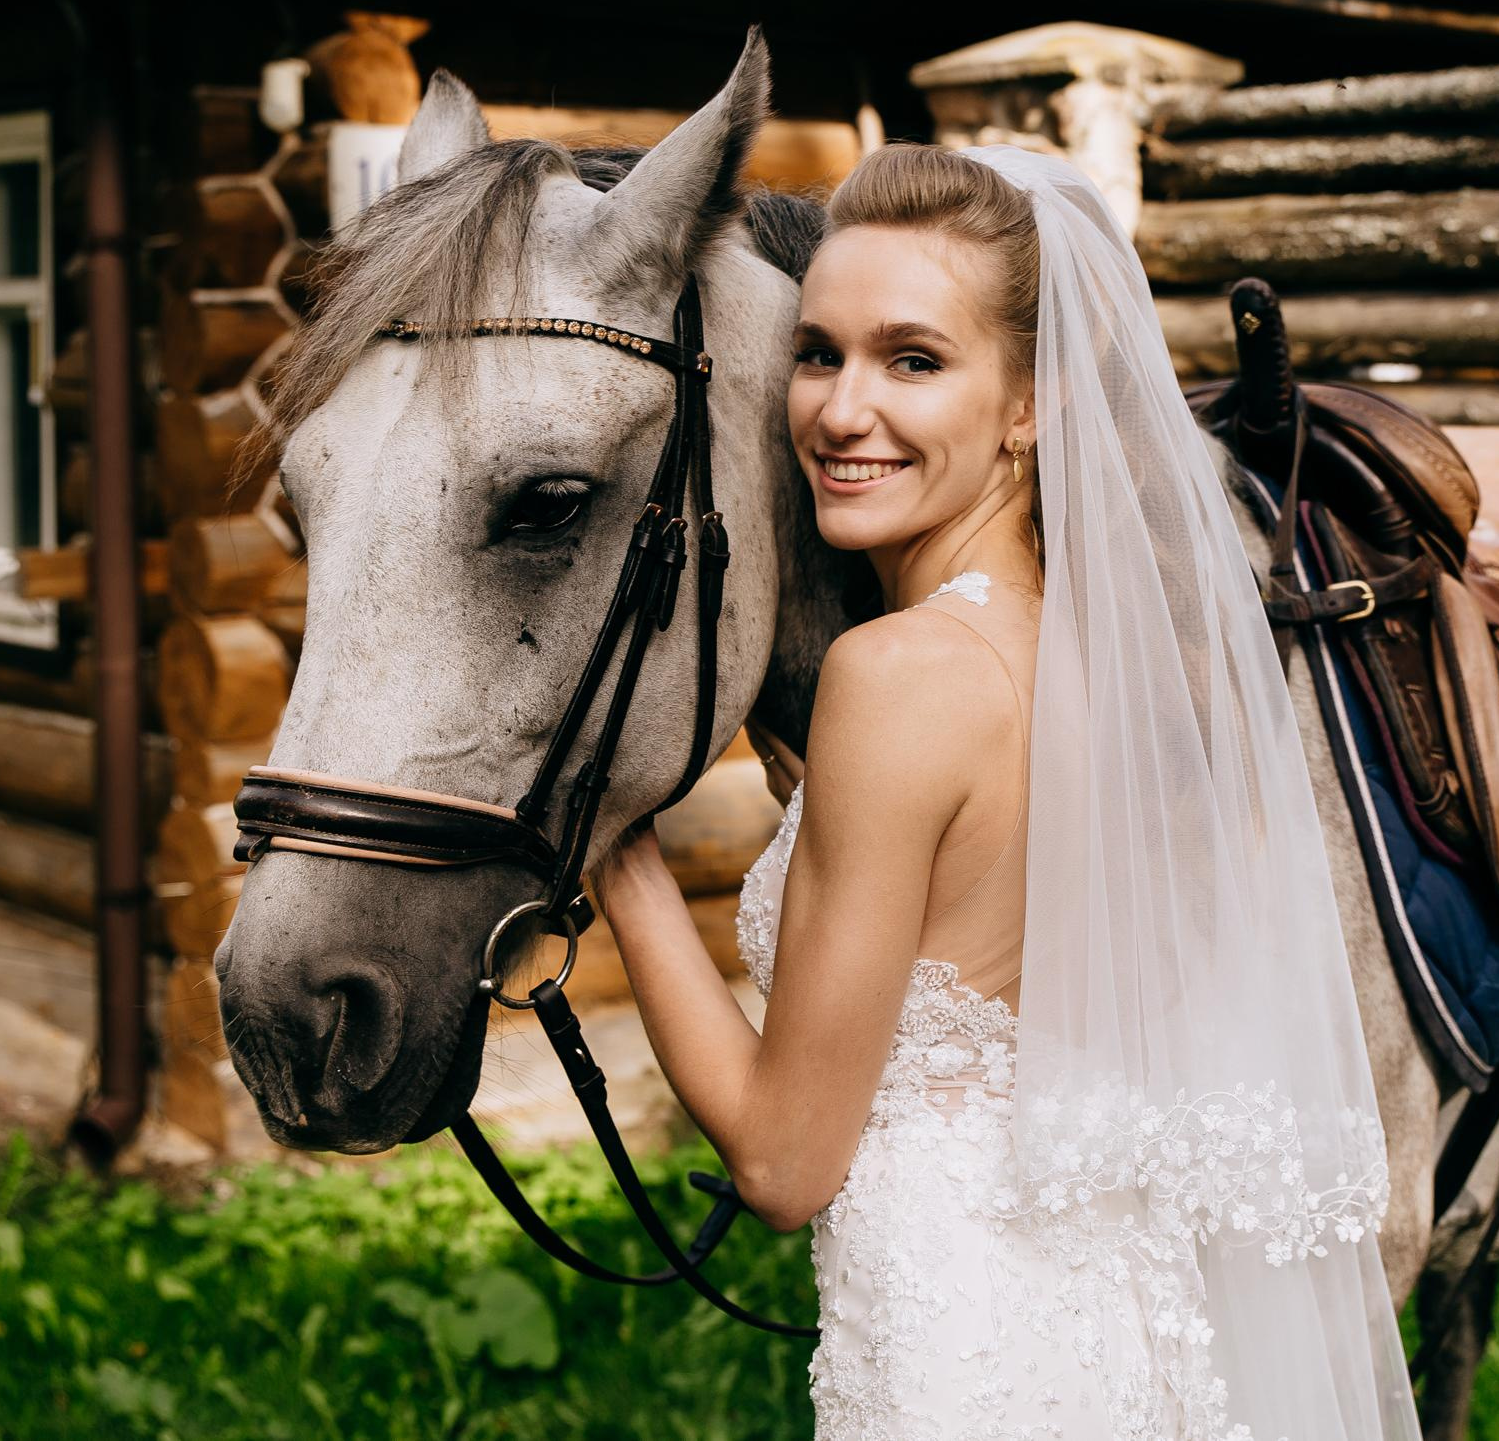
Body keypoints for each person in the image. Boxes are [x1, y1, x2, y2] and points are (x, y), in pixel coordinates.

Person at [589, 142, 1421, 1439]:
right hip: (1123, 1352)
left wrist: (620, 862)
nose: (840, 410)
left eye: (913, 360)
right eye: (821, 353)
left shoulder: (900, 679)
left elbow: (786, 1159)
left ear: (1030, 405)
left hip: (964, 1370)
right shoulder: (1142, 668)